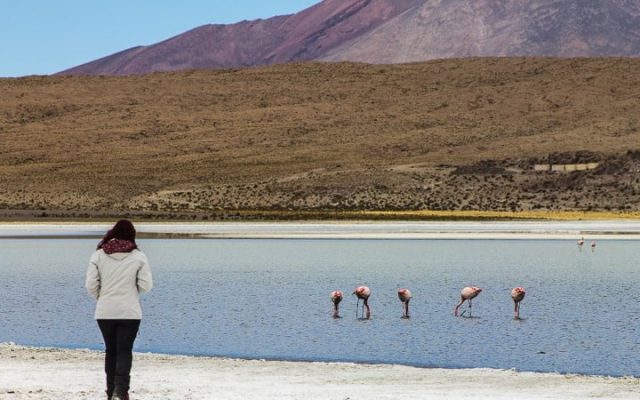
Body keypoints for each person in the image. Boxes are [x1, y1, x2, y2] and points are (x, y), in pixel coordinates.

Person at [86, 220, 153, 400]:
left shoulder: (99, 255)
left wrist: (103, 297)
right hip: (129, 312)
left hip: (105, 312)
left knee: (111, 351)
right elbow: (146, 285)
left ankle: (110, 391)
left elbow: (90, 285)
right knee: (124, 351)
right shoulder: (139, 256)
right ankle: (121, 392)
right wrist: (131, 293)